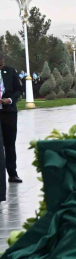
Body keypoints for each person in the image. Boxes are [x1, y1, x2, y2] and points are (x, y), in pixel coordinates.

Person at [0, 55, 23, 183]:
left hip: (8, 113)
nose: (1, 66)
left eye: (1, 64)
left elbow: (19, 90)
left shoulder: (10, 71)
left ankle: (12, 174)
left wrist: (9, 100)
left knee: (9, 144)